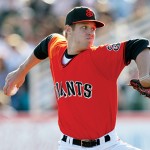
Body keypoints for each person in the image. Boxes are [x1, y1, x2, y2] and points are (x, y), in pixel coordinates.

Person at [3, 6, 150, 150]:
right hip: (69, 145)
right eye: (84, 27)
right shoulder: (57, 50)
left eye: (93, 28)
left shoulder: (100, 56)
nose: (91, 32)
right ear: (68, 30)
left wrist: (145, 75)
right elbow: (47, 42)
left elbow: (138, 45)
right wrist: (21, 71)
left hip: (108, 145)